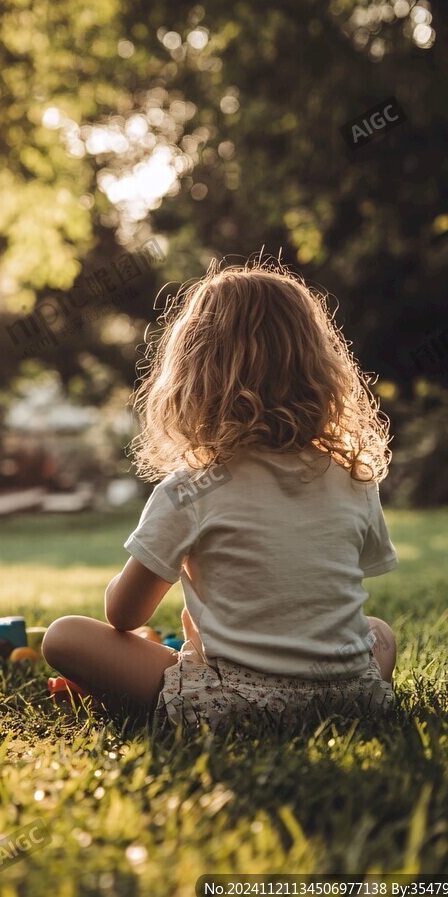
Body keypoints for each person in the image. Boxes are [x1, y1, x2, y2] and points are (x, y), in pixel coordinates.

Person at [42, 260, 398, 729]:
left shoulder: (191, 488)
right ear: (320, 368)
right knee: (379, 633)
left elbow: (124, 614)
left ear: (193, 377)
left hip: (233, 704)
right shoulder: (354, 478)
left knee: (63, 636)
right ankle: (326, 701)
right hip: (354, 698)